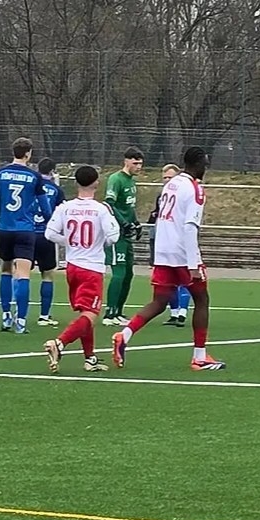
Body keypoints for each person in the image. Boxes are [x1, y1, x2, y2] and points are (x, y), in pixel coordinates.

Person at [112, 147, 223, 370]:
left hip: (163, 252)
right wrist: (193, 263)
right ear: (198, 164)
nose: (206, 168)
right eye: (205, 164)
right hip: (182, 254)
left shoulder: (171, 184)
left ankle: (125, 335)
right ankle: (199, 356)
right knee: (202, 299)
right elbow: (189, 227)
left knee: (160, 301)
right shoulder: (195, 189)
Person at [41, 165, 119, 374]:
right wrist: (100, 242)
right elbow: (113, 237)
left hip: (73, 266)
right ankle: (59, 343)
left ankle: (89, 358)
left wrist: (69, 242)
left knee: (85, 313)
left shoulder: (65, 207)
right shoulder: (101, 209)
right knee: (91, 314)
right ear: (96, 183)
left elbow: (50, 233)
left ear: (76, 183)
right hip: (91, 268)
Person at [0, 137, 49, 334]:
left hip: (5, 229)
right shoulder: (34, 177)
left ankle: (5, 315)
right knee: (24, 274)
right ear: (28, 153)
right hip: (25, 230)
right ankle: (21, 321)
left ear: (13, 152)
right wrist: (51, 225)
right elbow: (45, 207)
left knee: (5, 270)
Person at [102, 147, 144, 325]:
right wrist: (123, 223)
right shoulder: (116, 179)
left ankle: (118, 311)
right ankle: (109, 314)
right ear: (126, 161)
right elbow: (109, 204)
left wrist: (136, 223)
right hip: (116, 234)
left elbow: (129, 207)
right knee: (119, 272)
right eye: (135, 163)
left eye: (140, 164)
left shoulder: (131, 182)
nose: (138, 167)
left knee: (128, 273)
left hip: (126, 234)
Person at [153, 164, 191, 326]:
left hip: (180, 243)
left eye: (170, 177)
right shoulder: (162, 195)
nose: (167, 180)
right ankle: (174, 313)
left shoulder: (186, 193)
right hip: (164, 243)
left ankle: (182, 312)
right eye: (165, 178)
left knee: (185, 279)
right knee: (169, 282)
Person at [34, 158, 65, 327]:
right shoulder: (56, 190)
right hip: (45, 235)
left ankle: (18, 313)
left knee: (20, 273)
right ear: (52, 171)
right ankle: (44, 316)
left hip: (27, 233)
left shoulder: (31, 184)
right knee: (47, 275)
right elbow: (62, 212)